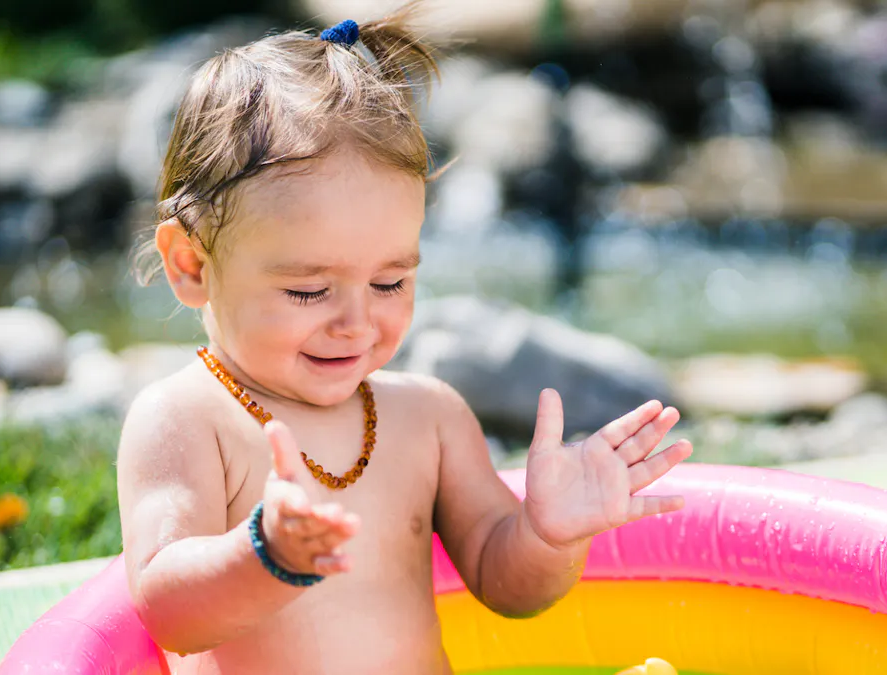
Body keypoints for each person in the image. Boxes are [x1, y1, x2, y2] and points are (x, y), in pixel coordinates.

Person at [116, 8, 692, 674]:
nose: (356, 323)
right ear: (190, 264)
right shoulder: (187, 420)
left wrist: (546, 533)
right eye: (308, 291)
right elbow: (167, 612)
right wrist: (263, 554)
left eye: (389, 282)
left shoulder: (428, 418)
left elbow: (511, 588)